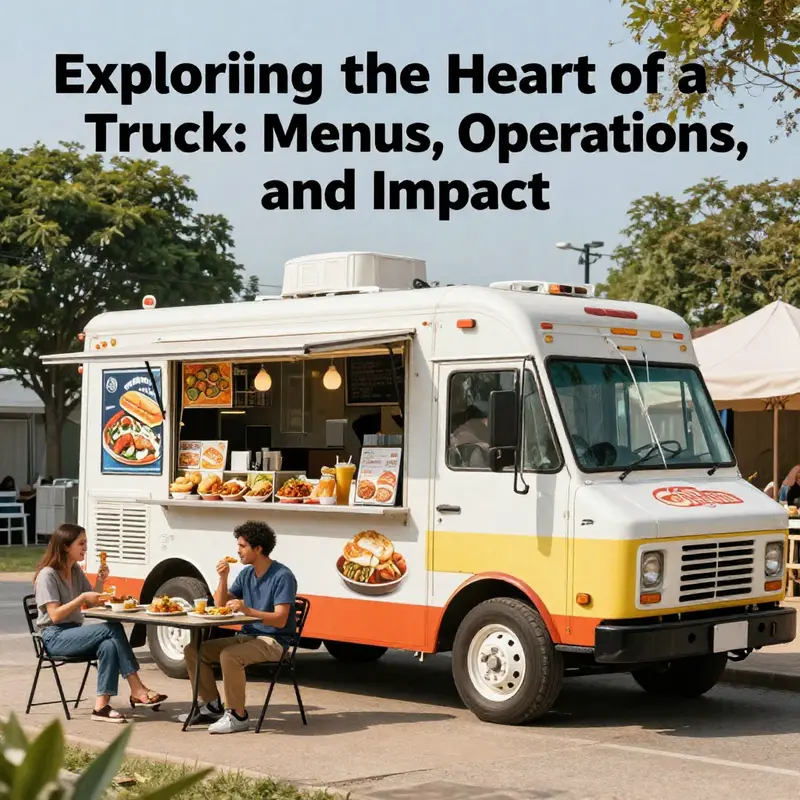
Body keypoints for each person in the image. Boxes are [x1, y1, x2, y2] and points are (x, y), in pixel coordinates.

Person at [33, 523, 167, 723]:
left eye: (85, 542)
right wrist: (80, 599)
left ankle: (101, 707)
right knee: (112, 628)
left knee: (108, 644)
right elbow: (55, 616)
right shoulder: (47, 575)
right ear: (65, 547)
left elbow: (91, 600)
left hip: (73, 632)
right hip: (54, 637)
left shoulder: (75, 570)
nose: (85, 548)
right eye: (81, 543)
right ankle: (137, 688)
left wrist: (101, 581)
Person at [180, 520, 297, 734]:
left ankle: (238, 715)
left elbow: (280, 620)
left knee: (229, 655)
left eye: (242, 546)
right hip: (249, 636)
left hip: (274, 641)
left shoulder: (283, 576)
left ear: (258, 548)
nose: (238, 550)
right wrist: (223, 578)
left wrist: (248, 611)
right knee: (194, 650)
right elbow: (220, 604)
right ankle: (212, 706)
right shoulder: (246, 574)